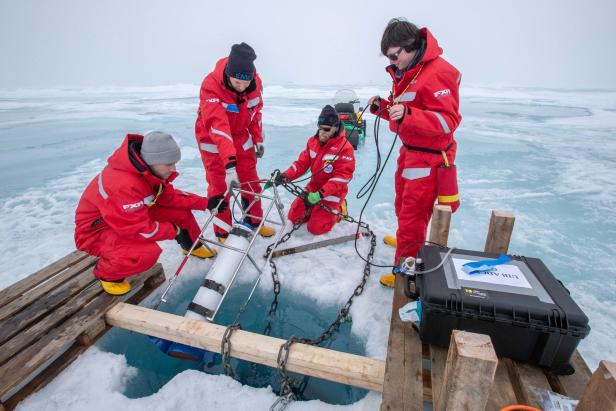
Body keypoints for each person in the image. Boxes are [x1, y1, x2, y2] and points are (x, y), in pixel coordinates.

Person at [368, 18, 461, 287]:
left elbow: (447, 122)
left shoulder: (438, 73)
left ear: (411, 47)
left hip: (429, 158)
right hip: (410, 153)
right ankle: (410, 242)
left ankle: (406, 272)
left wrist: (408, 113)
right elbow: (406, 114)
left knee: (412, 216)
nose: (393, 61)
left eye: (395, 56)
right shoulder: (411, 71)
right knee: (402, 208)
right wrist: (383, 109)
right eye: (389, 57)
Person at [74, 131, 226, 296]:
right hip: (97, 231)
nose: (173, 169)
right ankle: (108, 274)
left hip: (125, 218)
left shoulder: (147, 171)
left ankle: (192, 246)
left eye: (174, 163)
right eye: (169, 164)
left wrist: (205, 202)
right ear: (153, 161)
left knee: (180, 214)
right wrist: (172, 230)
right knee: (146, 254)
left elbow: (169, 197)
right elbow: (137, 229)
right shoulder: (123, 185)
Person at [195, 42, 275, 242]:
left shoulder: (254, 83)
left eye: (245, 82)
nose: (242, 87)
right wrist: (230, 165)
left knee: (251, 181)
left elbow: (256, 113)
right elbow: (218, 127)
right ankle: (223, 231)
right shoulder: (211, 86)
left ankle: (254, 221)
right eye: (237, 82)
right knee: (220, 187)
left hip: (241, 136)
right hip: (214, 140)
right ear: (228, 73)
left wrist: (257, 138)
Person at [272, 105, 355, 235]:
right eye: (320, 128)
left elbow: (342, 177)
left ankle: (340, 209)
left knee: (316, 228)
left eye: (326, 129)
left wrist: (320, 195)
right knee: (293, 218)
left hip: (333, 193)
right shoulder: (313, 142)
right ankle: (315, 208)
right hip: (313, 187)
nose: (322, 132)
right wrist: (286, 176)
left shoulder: (345, 148)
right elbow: (301, 164)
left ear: (336, 128)